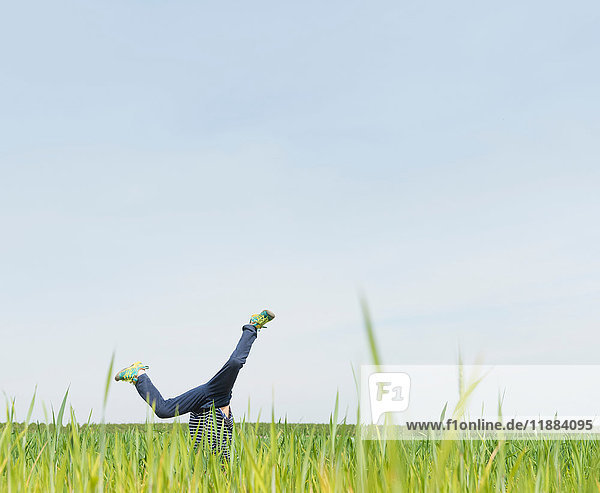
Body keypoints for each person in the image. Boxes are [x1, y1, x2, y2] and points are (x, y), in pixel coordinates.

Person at [114, 309, 275, 462]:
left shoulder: (204, 463)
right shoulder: (226, 460)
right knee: (235, 363)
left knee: (163, 410)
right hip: (215, 396)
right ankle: (253, 326)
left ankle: (138, 374)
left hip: (200, 414)